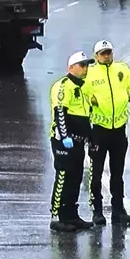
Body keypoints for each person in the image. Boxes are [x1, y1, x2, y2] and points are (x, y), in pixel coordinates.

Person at [82, 39, 130, 227]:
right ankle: (97, 210)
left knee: (118, 173)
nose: (106, 56)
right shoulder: (89, 73)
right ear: (96, 56)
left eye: (108, 52)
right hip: (99, 130)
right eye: (103, 53)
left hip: (119, 130)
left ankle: (118, 209)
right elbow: (79, 91)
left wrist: (129, 96)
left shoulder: (121, 69)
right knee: (97, 172)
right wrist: (89, 99)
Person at [48, 51, 95, 232]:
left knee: (75, 177)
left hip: (79, 141)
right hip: (64, 141)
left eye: (87, 65)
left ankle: (71, 215)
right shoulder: (63, 86)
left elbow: (86, 116)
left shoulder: (83, 87)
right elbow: (60, 112)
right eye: (82, 65)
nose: (85, 69)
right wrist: (65, 136)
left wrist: (90, 138)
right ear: (71, 68)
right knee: (63, 176)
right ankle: (56, 215)